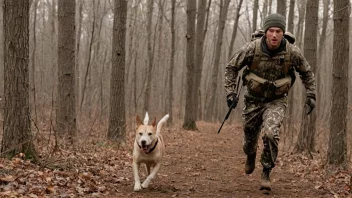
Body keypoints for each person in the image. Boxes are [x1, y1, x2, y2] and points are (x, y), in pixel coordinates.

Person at [224, 13, 316, 191]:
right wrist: (230, 93)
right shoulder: (252, 48)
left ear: (283, 33)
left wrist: (311, 95)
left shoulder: (292, 52)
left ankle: (266, 171)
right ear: (266, 32)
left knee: (270, 133)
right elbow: (232, 67)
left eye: (278, 31)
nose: (274, 35)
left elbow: (307, 72)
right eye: (271, 31)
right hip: (253, 99)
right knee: (249, 138)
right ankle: (250, 154)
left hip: (276, 101)